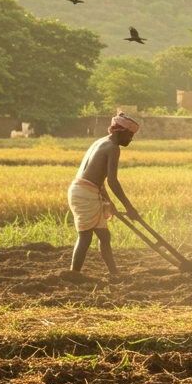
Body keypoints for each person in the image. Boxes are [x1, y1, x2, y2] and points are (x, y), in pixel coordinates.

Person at [67, 112, 143, 277]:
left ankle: (114, 273)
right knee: (85, 236)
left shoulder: (101, 142)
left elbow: (98, 178)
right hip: (85, 192)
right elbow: (112, 181)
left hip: (84, 190)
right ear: (119, 131)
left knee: (104, 235)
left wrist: (108, 201)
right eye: (129, 135)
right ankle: (74, 274)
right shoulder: (113, 148)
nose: (130, 139)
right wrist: (129, 208)